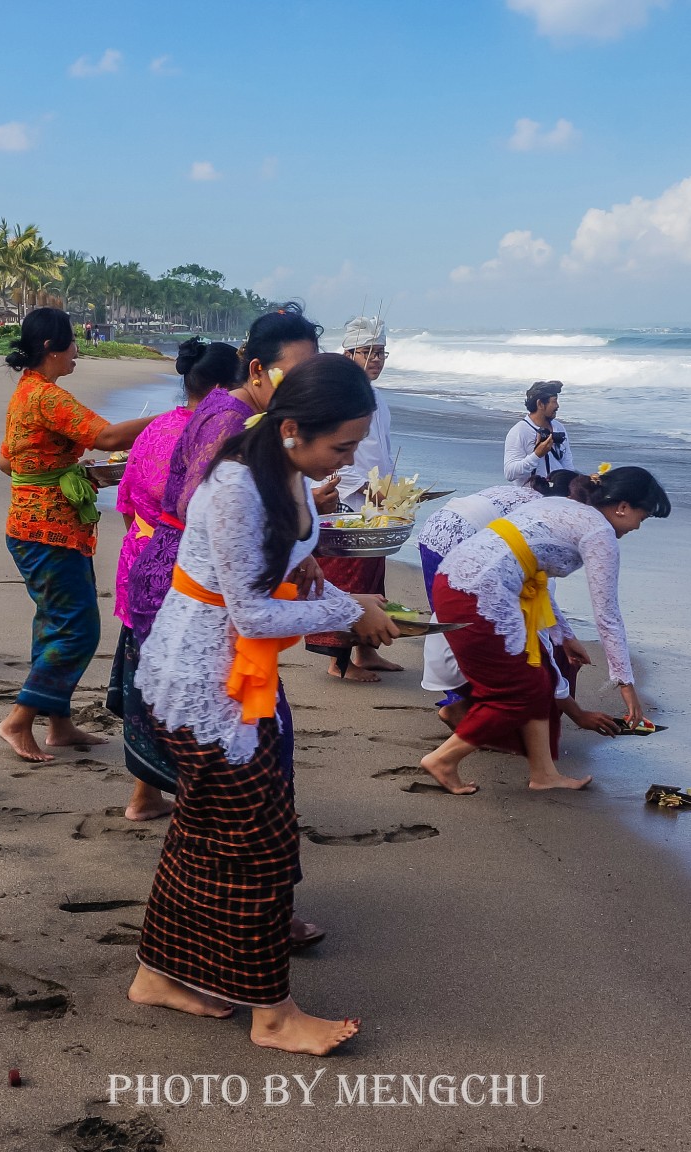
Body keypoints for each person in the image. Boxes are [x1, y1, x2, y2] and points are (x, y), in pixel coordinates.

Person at [128, 353, 396, 1055]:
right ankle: (273, 1017)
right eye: (342, 444)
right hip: (201, 683)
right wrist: (347, 613)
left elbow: (261, 562)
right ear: (294, 431)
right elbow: (249, 615)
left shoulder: (280, 468)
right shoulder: (237, 485)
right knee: (258, 848)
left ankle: (156, 976)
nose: (351, 454)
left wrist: (303, 564)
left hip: (236, 679)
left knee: (205, 832)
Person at [121, 306, 321, 797]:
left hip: (180, 575)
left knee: (208, 730)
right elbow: (200, 507)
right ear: (256, 369)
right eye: (293, 376)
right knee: (237, 733)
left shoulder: (237, 408)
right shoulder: (232, 421)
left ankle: (162, 803)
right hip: (186, 585)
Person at [420, 467, 668, 795]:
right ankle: (444, 759)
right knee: (518, 693)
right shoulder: (599, 532)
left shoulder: (563, 506)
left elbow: (535, 582)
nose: (637, 526)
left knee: (537, 680)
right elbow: (607, 615)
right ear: (622, 507)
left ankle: (544, 773)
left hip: (454, 580)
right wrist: (626, 683)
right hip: (478, 594)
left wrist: (563, 636)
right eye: (642, 516)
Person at [0, 307, 159, 763]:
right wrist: (169, 421)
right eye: (72, 344)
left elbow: (8, 462)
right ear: (51, 348)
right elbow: (106, 437)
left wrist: (61, 470)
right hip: (48, 531)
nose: (77, 352)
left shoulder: (26, 392)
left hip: (36, 527)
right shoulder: (46, 396)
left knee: (54, 623)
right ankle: (18, 720)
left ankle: (59, 724)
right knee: (78, 629)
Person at [106, 337, 241, 821]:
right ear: (229, 387)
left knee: (147, 677)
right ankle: (184, 793)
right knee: (190, 683)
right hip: (187, 577)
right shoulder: (223, 437)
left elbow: (125, 504)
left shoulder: (156, 428)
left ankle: (143, 793)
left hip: (140, 563)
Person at [414, 473, 619, 736]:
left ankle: (468, 705)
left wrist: (564, 635)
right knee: (498, 642)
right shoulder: (539, 529)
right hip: (461, 541)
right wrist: (577, 712)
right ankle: (470, 711)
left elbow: (542, 606)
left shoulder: (532, 513)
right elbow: (538, 625)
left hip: (435, 531)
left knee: (460, 627)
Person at [304, 316, 401, 682]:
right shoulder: (339, 393)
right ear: (348, 353)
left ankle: (366, 651)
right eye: (368, 352)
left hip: (377, 498)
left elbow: (381, 451)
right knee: (348, 575)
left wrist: (392, 490)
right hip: (349, 498)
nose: (376, 359)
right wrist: (364, 488)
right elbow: (333, 455)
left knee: (373, 573)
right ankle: (338, 661)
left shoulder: (378, 398)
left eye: (381, 353)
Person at [504, 380, 575, 487]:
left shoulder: (559, 427)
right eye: (554, 401)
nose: (558, 406)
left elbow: (567, 464)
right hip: (531, 496)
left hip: (558, 494)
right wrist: (537, 454)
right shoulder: (519, 431)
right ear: (540, 404)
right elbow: (510, 473)